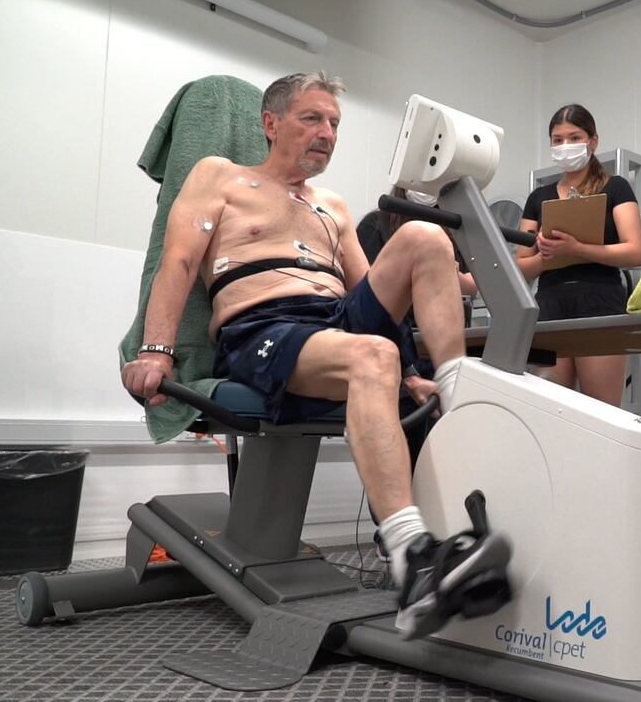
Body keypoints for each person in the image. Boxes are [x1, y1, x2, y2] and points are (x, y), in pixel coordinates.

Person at [120, 71, 508, 638]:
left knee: (426, 238)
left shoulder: (333, 206)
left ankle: (459, 395)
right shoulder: (220, 177)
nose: (326, 133)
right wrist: (156, 350)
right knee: (372, 357)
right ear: (270, 123)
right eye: (311, 118)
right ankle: (412, 557)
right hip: (265, 326)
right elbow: (176, 261)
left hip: (335, 318)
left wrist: (413, 374)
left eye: (334, 123)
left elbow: (372, 293)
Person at [516, 104, 641, 405]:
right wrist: (546, 257)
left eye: (574, 138)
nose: (565, 146)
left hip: (600, 301)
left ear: (593, 141)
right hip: (550, 303)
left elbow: (635, 252)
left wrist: (577, 249)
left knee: (602, 410)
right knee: (550, 409)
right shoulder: (538, 198)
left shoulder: (616, 187)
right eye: (557, 140)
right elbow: (520, 267)